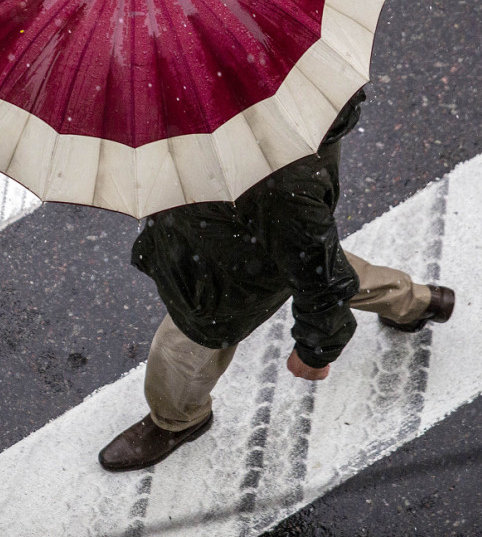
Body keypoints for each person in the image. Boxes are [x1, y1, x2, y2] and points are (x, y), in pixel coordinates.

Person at [98, 88, 455, 472]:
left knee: (181, 350)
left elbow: (323, 282)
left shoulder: (278, 180)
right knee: (308, 260)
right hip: (244, 240)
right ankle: (414, 302)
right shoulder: (278, 99)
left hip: (227, 272)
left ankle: (177, 419)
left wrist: (315, 352)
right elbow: (313, 260)